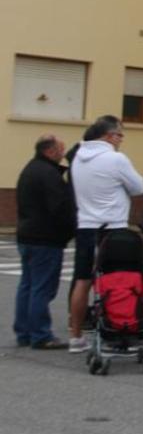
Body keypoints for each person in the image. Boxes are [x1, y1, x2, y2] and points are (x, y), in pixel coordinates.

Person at [68, 116, 143, 353]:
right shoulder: (115, 158)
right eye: (120, 135)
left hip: (85, 225)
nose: (121, 140)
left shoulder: (77, 158)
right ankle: (115, 328)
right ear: (109, 136)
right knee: (115, 281)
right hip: (112, 228)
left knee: (82, 280)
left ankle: (76, 335)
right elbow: (139, 187)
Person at [14, 134, 76, 349]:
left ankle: (24, 332)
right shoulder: (49, 174)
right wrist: (72, 228)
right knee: (42, 287)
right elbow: (59, 208)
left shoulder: (30, 169)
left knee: (28, 285)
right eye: (60, 149)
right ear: (49, 151)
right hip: (46, 238)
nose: (63, 154)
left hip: (27, 235)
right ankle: (41, 335)